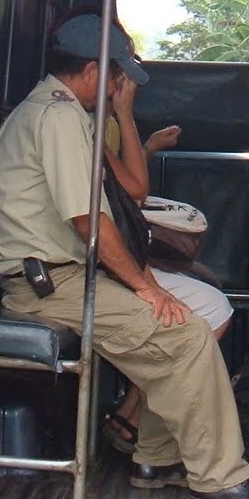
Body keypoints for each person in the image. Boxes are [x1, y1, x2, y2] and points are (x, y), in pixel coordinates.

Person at [0, 12, 249, 499]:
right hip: (50, 288)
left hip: (60, 278)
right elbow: (89, 222)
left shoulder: (55, 111)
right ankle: (219, 480)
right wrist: (147, 287)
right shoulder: (59, 116)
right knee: (185, 336)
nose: (119, 84)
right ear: (92, 69)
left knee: (182, 327)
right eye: (116, 72)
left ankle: (156, 460)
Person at [96, 31, 228, 455]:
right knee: (212, 312)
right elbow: (134, 191)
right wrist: (125, 113)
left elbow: (122, 186)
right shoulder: (90, 123)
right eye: (123, 77)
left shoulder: (103, 124)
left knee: (206, 282)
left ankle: (133, 416)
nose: (127, 86)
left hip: (117, 248)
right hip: (100, 262)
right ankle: (140, 428)